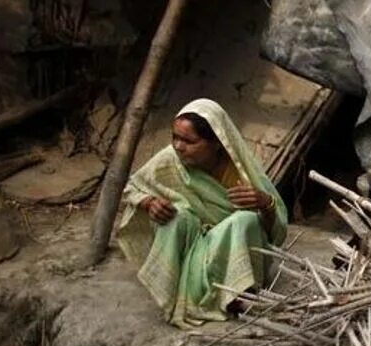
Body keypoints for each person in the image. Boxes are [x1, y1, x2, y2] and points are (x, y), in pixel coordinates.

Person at [115, 98, 288, 328]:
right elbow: (133, 188)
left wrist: (266, 204)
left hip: (232, 248)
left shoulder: (240, 171)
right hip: (192, 245)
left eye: (188, 140)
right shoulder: (171, 160)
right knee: (175, 215)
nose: (178, 146)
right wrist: (149, 202)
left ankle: (236, 292)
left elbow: (272, 235)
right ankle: (175, 289)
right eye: (174, 137)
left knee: (245, 220)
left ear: (216, 142)